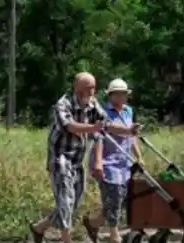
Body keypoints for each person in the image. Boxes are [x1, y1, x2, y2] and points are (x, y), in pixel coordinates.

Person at [29, 72, 140, 243]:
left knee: (72, 203)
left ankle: (39, 228)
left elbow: (107, 124)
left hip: (77, 159)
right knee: (65, 199)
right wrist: (93, 128)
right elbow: (70, 126)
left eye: (93, 88)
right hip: (60, 158)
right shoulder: (63, 105)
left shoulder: (93, 103)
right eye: (88, 88)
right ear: (77, 89)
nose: (92, 92)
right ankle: (66, 239)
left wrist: (128, 130)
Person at [82, 78, 143, 243]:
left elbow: (131, 136)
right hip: (107, 162)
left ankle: (93, 223)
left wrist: (139, 156)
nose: (121, 97)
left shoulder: (128, 111)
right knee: (114, 197)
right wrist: (98, 163)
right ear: (111, 95)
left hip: (124, 162)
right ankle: (114, 236)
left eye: (124, 94)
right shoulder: (102, 112)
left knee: (121, 200)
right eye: (117, 94)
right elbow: (105, 131)